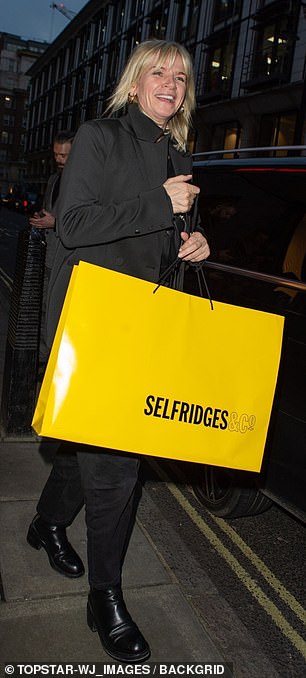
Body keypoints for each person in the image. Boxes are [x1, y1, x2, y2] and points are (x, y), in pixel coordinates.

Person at [27, 39, 210, 663]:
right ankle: (106, 597)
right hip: (94, 325)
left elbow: (162, 244)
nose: (171, 83)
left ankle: (47, 523)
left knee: (92, 456)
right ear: (135, 83)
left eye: (181, 77)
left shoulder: (178, 153)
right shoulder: (99, 137)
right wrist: (160, 203)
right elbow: (73, 226)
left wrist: (192, 243)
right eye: (158, 72)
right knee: (116, 468)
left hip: (145, 329)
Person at [29, 131, 74, 363]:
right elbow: (51, 209)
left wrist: (55, 223)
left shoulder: (82, 181)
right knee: (45, 306)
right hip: (49, 254)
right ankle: (44, 356)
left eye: (64, 155)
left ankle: (53, 358)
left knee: (60, 310)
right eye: (56, 154)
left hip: (68, 258)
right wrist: (42, 217)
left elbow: (84, 220)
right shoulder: (54, 179)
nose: (59, 160)